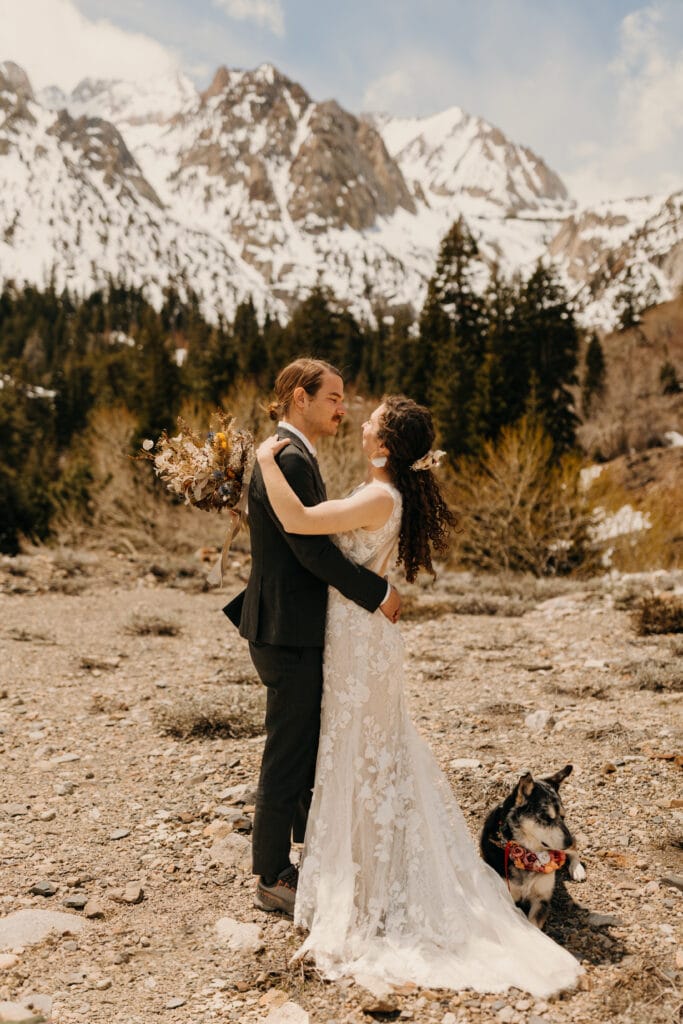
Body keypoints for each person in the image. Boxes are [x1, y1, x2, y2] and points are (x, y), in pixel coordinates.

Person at [254, 394, 583, 997]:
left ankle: (373, 881)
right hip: (359, 633)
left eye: (372, 420)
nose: (361, 421)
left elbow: (300, 523)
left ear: (384, 445)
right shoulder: (379, 489)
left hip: (361, 641)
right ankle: (369, 869)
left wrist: (264, 464)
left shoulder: (379, 495)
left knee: (366, 754)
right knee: (368, 753)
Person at [223, 358, 400, 918]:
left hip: (289, 625)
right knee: (288, 752)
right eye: (334, 397)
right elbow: (311, 549)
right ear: (301, 397)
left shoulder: (288, 453)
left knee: (302, 747)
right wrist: (377, 593)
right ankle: (272, 874)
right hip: (287, 630)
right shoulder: (290, 457)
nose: (343, 408)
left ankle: (310, 855)